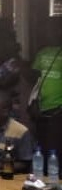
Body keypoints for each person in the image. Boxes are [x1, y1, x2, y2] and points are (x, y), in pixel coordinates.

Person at [30, 17, 62, 154]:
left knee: (56, 147)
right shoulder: (42, 52)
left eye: (50, 29)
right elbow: (35, 77)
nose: (46, 32)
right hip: (42, 108)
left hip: (58, 108)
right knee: (43, 147)